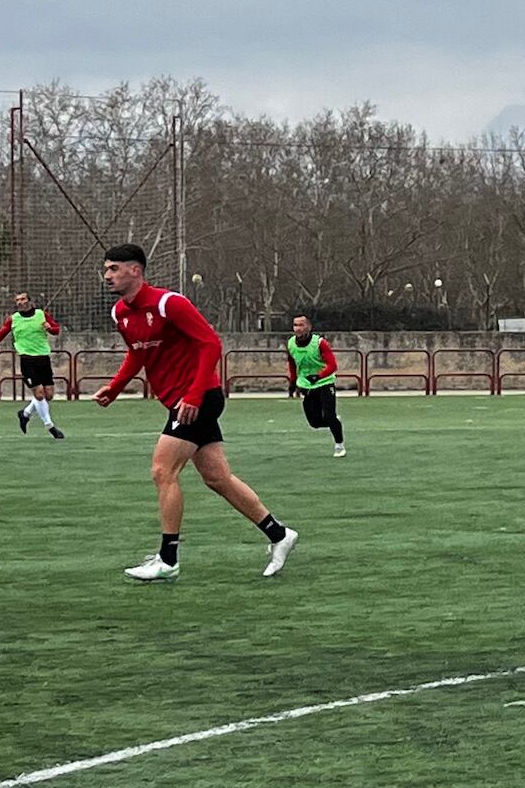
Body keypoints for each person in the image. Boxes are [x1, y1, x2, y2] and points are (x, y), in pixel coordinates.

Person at [92, 243, 299, 582]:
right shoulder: (120, 313)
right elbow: (137, 354)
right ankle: (279, 534)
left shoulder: (168, 303)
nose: (108, 275)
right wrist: (115, 388)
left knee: (162, 470)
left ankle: (168, 558)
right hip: (181, 400)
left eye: (114, 268)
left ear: (135, 270)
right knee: (217, 477)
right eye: (107, 269)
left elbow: (210, 343)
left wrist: (194, 394)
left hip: (198, 398)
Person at [0, 291, 66, 439]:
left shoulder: (41, 314)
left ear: (30, 301)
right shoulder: (13, 319)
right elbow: (1, 332)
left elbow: (56, 330)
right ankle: (51, 427)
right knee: (40, 393)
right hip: (27, 360)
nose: (20, 302)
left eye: (23, 299)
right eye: (17, 300)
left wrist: (49, 328)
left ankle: (25, 413)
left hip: (43, 358)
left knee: (49, 394)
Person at [285, 312, 347, 457]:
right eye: (295, 325)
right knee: (314, 422)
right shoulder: (290, 344)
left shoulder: (319, 343)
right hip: (306, 385)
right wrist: (293, 382)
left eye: (301, 325)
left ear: (309, 327)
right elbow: (292, 364)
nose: (298, 328)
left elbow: (332, 365)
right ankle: (334, 422)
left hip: (325, 382)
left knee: (329, 415)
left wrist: (319, 376)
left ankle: (339, 445)